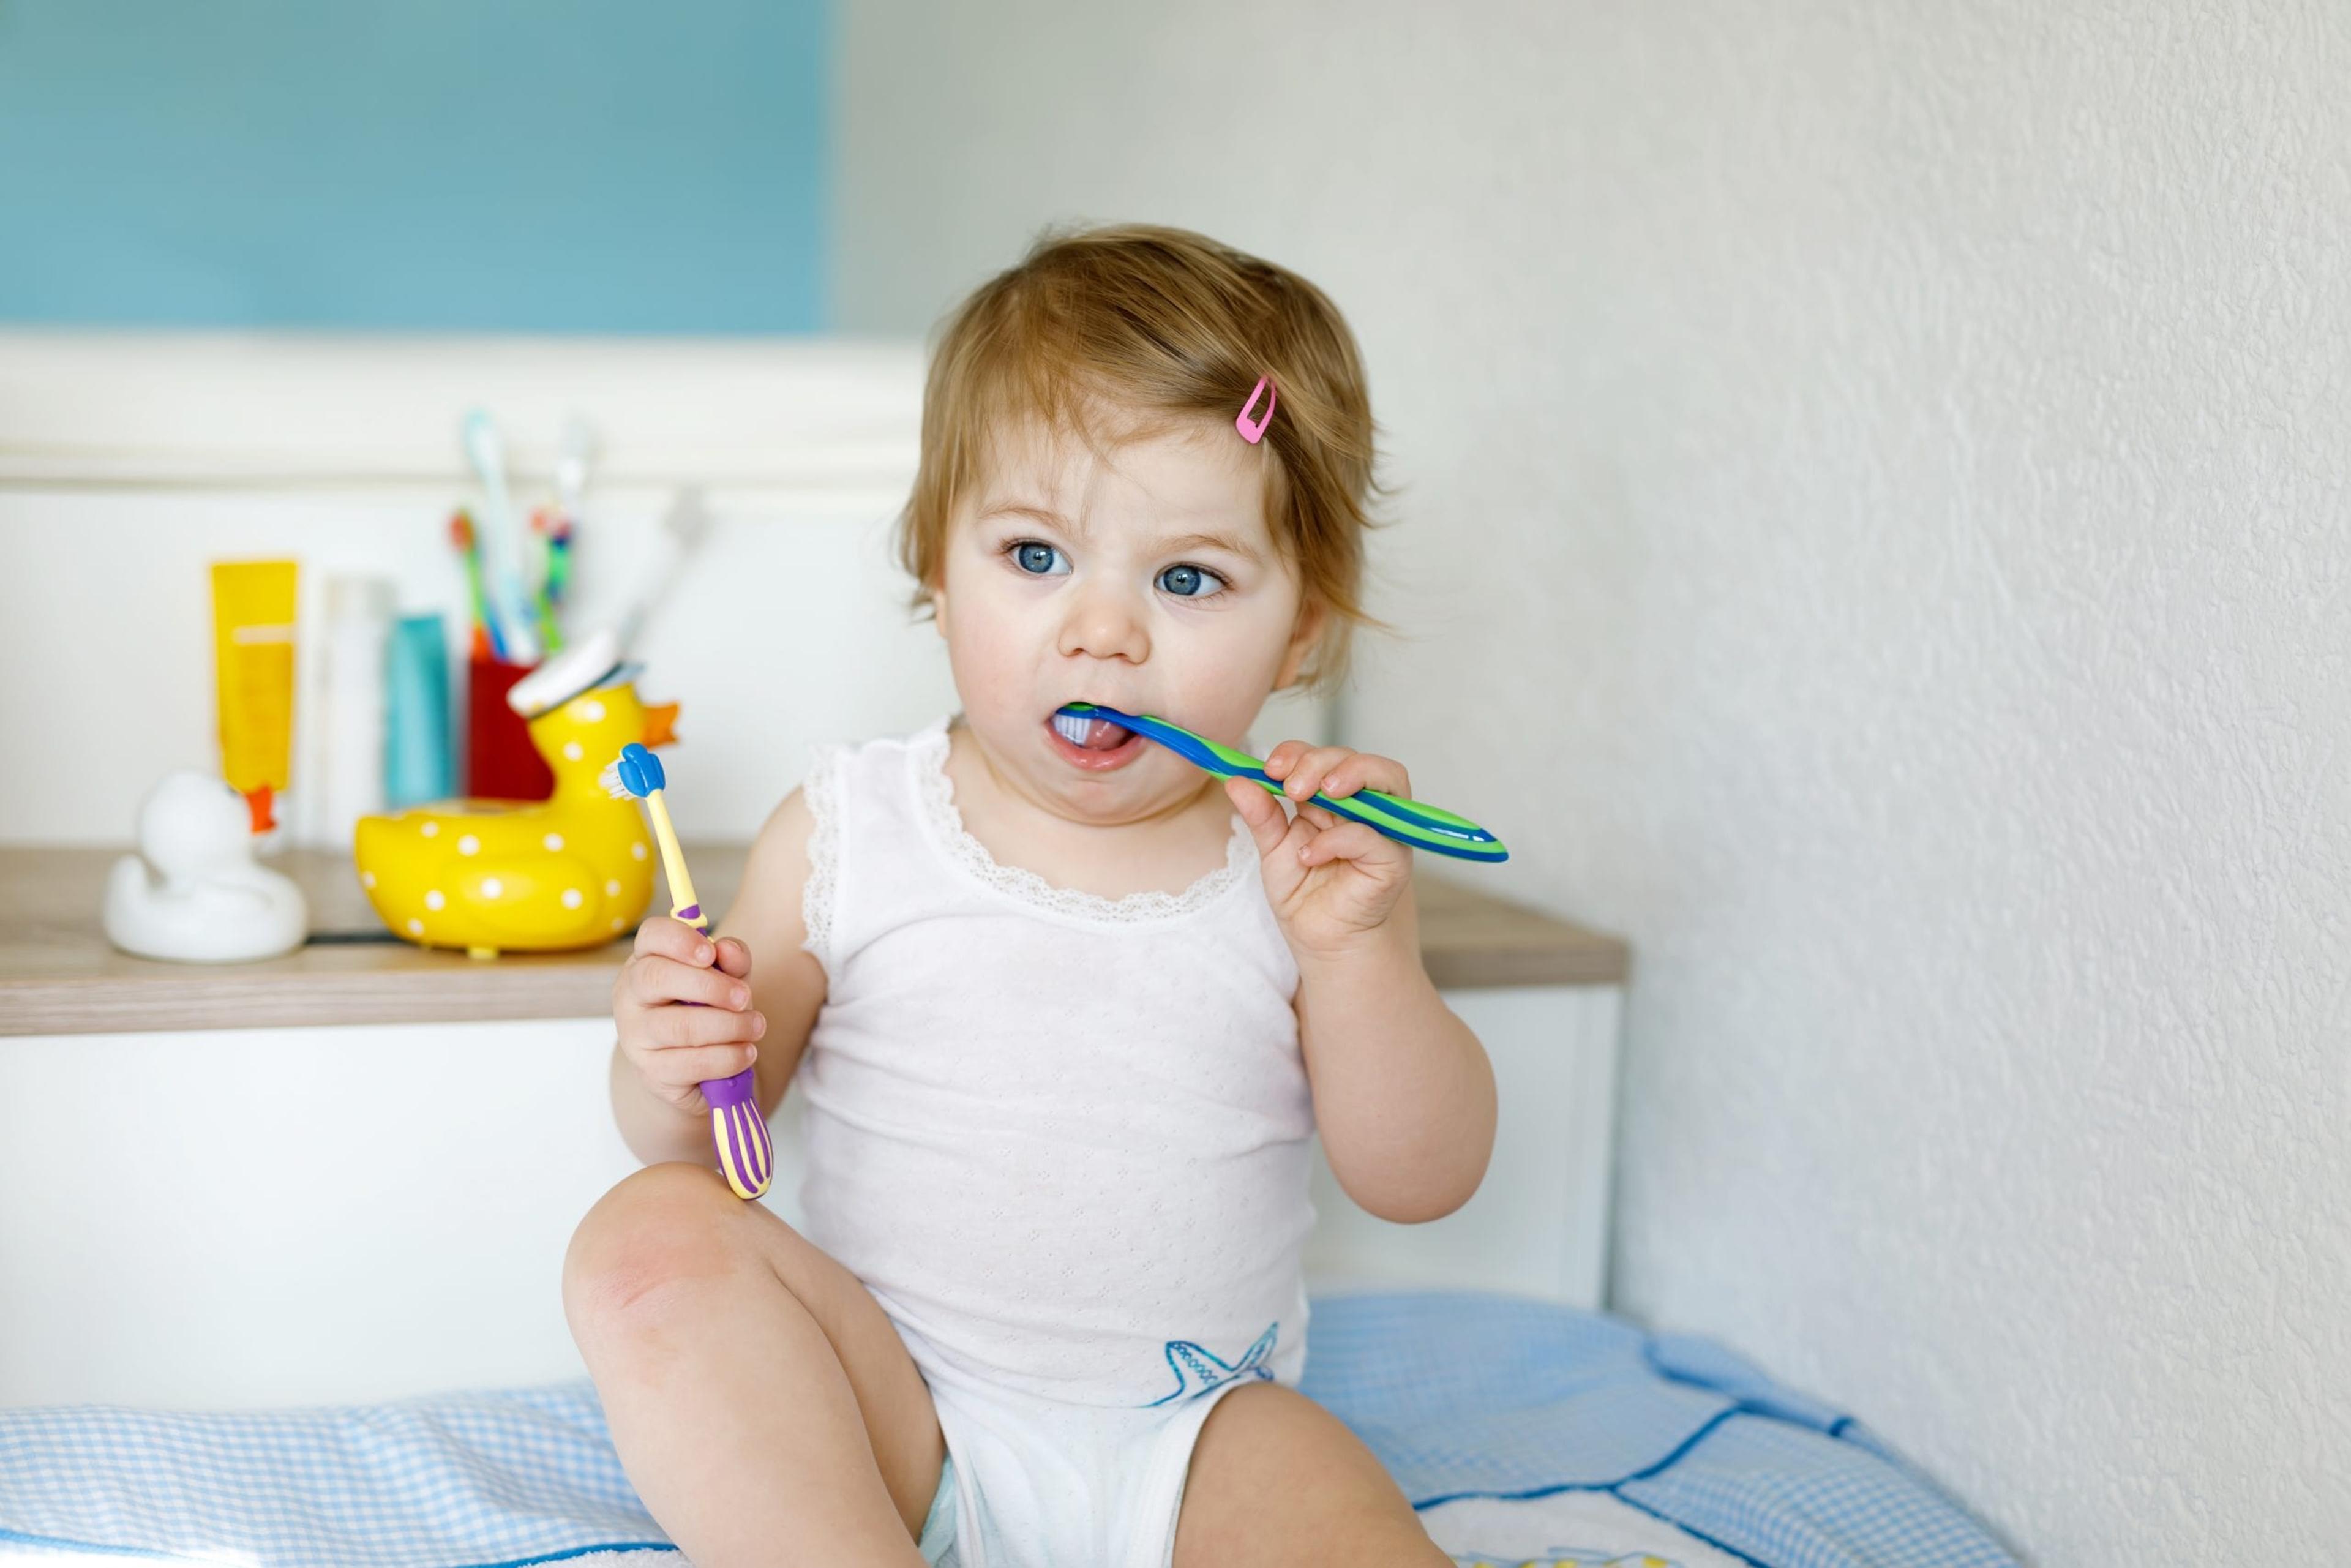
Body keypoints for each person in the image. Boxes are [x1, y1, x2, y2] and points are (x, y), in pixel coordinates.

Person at [564, 223, 1497, 1567]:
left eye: (1187, 579)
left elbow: (1424, 1179)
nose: (1102, 630)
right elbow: (710, 1146)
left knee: (1311, 1470)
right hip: (894, 1433)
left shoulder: (1305, 868)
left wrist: (1359, 956)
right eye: (1036, 558)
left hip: (1194, 1449)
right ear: (936, 564)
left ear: (1302, 627)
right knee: (644, 1241)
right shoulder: (852, 829)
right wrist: (671, 1057)